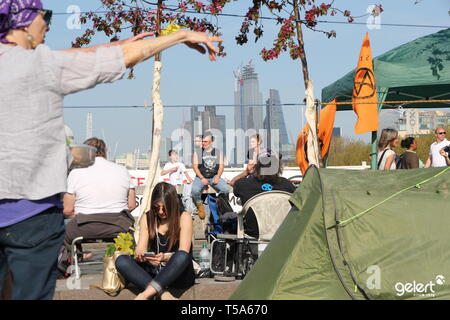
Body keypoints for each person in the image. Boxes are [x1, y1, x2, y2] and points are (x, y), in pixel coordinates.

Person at [0, 0, 222, 300]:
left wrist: (108, 47)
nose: (49, 24)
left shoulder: (37, 63)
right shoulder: (42, 67)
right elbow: (113, 61)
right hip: (31, 216)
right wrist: (179, 36)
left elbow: (71, 58)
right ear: (23, 21)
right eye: (45, 15)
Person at [61, 138, 136, 266]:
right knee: (130, 235)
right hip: (118, 227)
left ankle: (71, 263)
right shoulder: (122, 170)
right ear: (105, 151)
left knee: (61, 232)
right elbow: (131, 205)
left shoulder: (76, 172)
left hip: (84, 226)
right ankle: (127, 266)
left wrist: (84, 214)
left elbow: (67, 210)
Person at [115, 182, 195, 300]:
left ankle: (144, 295)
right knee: (122, 260)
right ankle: (163, 294)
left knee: (182, 256)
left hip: (178, 272)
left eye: (165, 208)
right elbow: (141, 247)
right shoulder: (148, 217)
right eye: (157, 207)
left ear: (173, 205)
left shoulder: (184, 217)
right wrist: (142, 255)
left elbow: (184, 249)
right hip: (154, 270)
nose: (161, 212)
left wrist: (165, 257)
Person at [233, 150, 296, 239]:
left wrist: (246, 172)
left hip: (254, 236)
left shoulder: (244, 184)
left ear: (257, 166)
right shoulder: (287, 185)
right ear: (278, 167)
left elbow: (233, 183)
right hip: (283, 236)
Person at [191, 132, 229, 219]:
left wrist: (218, 176)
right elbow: (195, 167)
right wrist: (202, 178)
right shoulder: (197, 152)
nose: (203, 143)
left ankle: (219, 206)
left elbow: (221, 166)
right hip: (201, 176)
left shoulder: (218, 152)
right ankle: (199, 205)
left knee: (225, 189)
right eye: (203, 141)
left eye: (206, 141)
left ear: (211, 142)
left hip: (214, 176)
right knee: (194, 190)